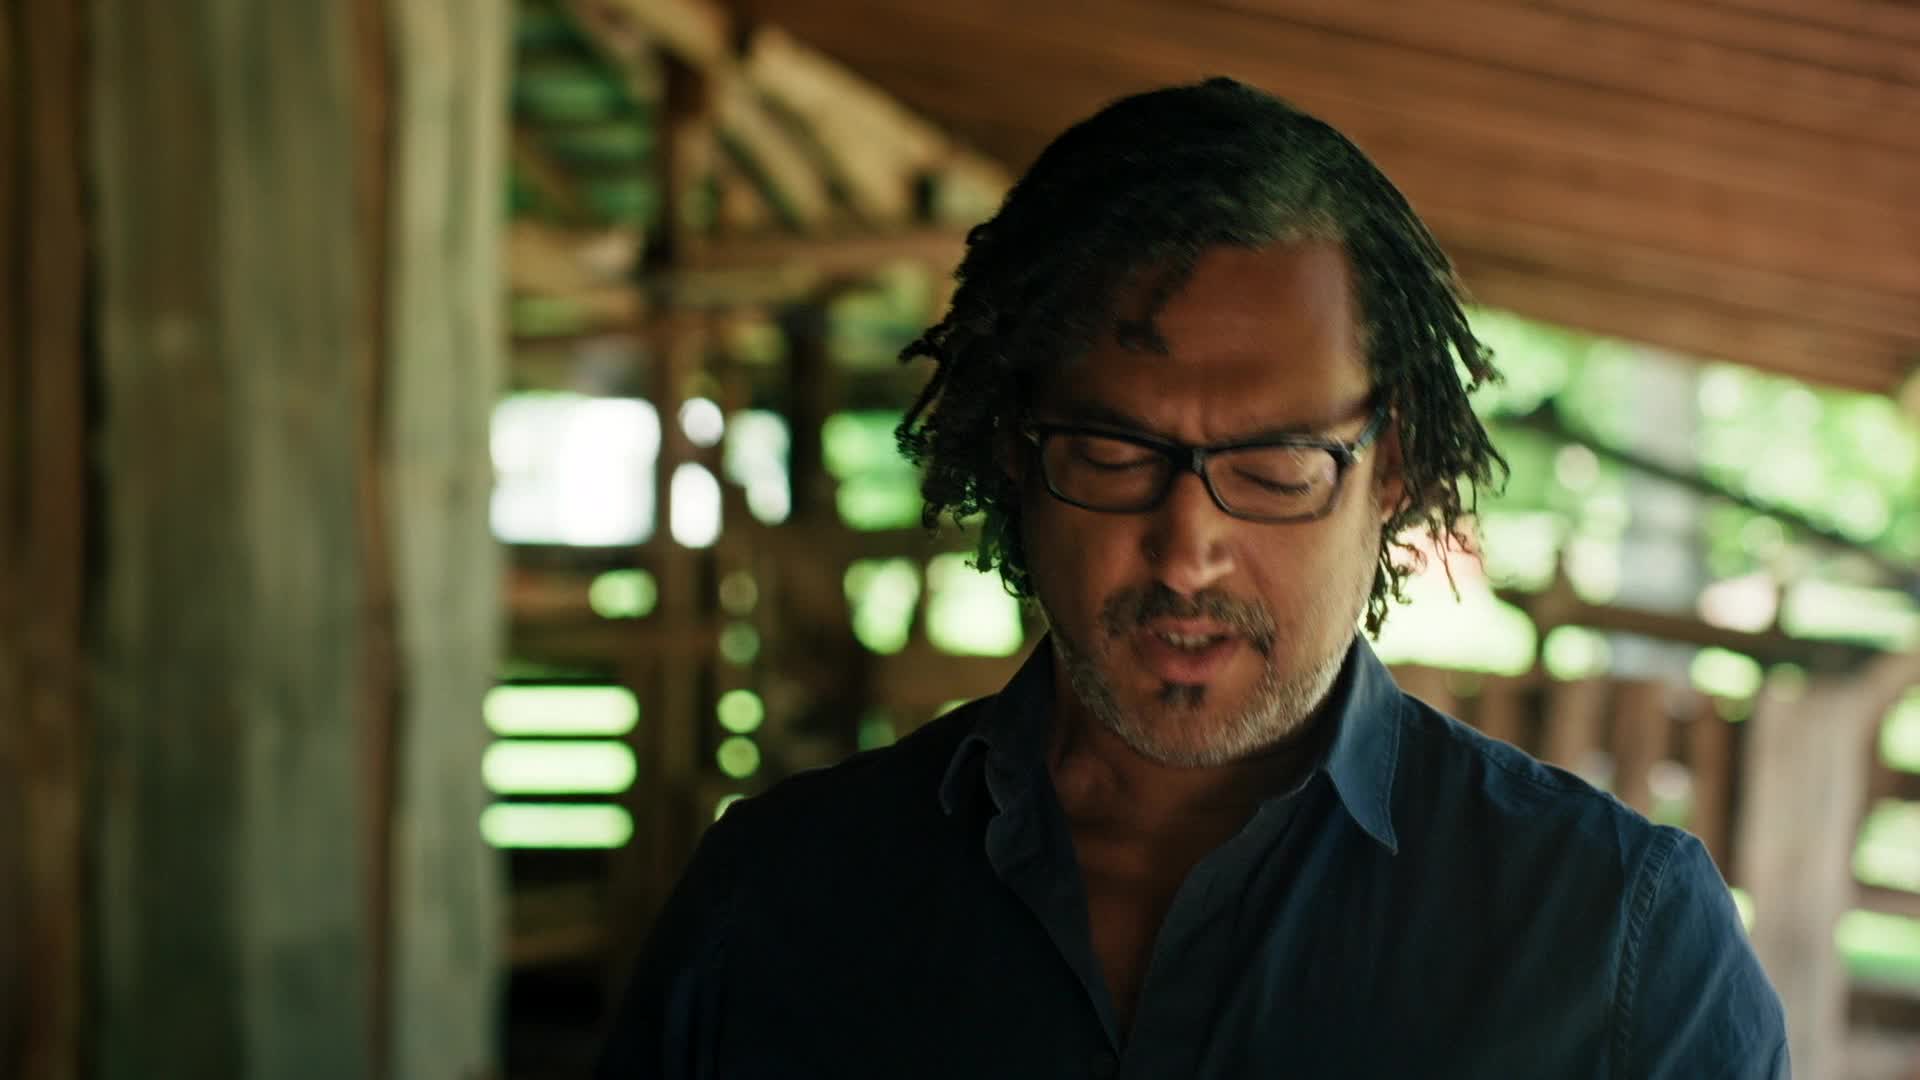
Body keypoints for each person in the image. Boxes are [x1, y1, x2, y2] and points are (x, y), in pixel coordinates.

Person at [598, 78, 1787, 1078]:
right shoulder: (775, 909)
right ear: (1015, 451)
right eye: (1113, 454)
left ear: (1392, 470)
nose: (1186, 550)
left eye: (1276, 466)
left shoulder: (1616, 951)